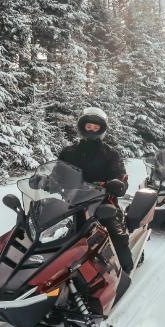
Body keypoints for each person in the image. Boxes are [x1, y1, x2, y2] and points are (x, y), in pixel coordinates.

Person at [56, 107, 134, 274]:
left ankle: (125, 267)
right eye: (88, 126)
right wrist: (42, 181)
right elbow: (57, 174)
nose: (91, 130)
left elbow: (121, 176)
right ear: (82, 127)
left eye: (95, 127)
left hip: (102, 202)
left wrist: (118, 184)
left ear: (102, 129)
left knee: (116, 232)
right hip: (71, 202)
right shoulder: (69, 152)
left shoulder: (110, 153)